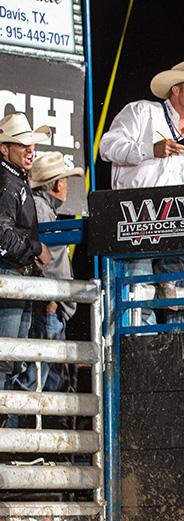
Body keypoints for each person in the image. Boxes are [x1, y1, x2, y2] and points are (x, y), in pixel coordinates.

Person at [99, 59, 184, 324]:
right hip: (136, 222)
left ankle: (166, 274)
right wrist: (150, 148)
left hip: (174, 223)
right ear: (176, 89)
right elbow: (107, 147)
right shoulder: (142, 112)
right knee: (138, 300)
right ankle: (137, 356)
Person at [20, 152, 83, 393]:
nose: (66, 186)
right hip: (49, 304)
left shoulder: (41, 207)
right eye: (65, 180)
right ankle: (11, 424)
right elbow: (34, 255)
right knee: (36, 377)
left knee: (47, 379)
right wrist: (50, 299)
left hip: (52, 304)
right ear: (57, 183)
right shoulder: (40, 208)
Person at [0, 112, 53, 396]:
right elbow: (1, 235)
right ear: (4, 148)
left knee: (12, 358)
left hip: (15, 274)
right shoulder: (6, 182)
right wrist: (35, 248)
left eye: (31, 145)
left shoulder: (16, 180)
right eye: (23, 145)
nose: (30, 150)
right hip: (7, 275)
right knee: (5, 357)